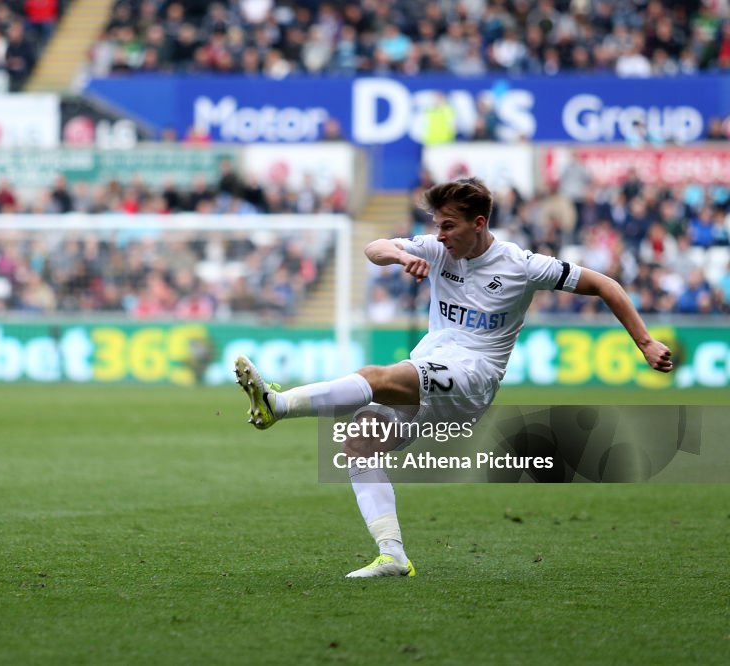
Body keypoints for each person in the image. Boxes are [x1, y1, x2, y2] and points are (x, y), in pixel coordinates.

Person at [234, 177, 673, 579]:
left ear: (478, 223)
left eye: (448, 226)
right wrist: (403, 254)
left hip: (473, 377)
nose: (441, 235)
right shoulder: (437, 248)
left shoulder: (522, 265)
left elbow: (606, 285)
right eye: (437, 226)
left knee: (376, 376)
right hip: (434, 364)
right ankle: (393, 556)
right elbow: (375, 248)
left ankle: (279, 405)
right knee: (359, 442)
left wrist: (646, 343)